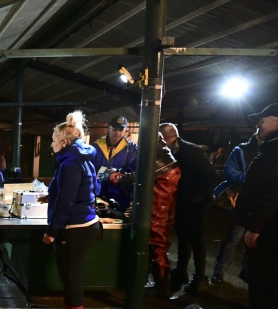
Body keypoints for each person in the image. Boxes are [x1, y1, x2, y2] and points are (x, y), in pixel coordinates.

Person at [42, 110, 100, 309]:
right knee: (69, 273)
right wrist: (52, 195)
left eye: (54, 140)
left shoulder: (69, 164)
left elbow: (66, 201)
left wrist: (51, 231)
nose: (52, 145)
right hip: (84, 223)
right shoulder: (82, 158)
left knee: (71, 274)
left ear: (64, 141)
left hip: (75, 227)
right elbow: (93, 189)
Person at [109, 133, 181, 297]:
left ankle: (162, 287)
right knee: (156, 245)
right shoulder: (165, 155)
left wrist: (112, 176)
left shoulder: (157, 159)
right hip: (163, 207)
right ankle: (155, 282)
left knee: (157, 246)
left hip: (158, 208)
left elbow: (135, 177)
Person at [232, 104, 278, 309]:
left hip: (269, 228)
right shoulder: (269, 148)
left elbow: (272, 193)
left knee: (263, 272)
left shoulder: (274, 151)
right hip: (266, 224)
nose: (258, 124)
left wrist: (255, 227)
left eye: (263, 119)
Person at [160, 122, 218, 294]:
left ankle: (200, 277)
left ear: (170, 138)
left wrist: (199, 195)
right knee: (183, 237)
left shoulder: (192, 151)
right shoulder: (171, 151)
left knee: (196, 239)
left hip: (197, 203)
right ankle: (181, 271)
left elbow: (211, 176)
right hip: (182, 201)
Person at [210, 130, 261, 284]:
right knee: (234, 236)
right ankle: (219, 271)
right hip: (243, 200)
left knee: (257, 240)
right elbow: (229, 172)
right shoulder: (242, 149)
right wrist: (251, 178)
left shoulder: (271, 151)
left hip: (263, 202)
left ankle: (249, 272)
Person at [92, 116, 138, 210]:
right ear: (108, 128)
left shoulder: (132, 149)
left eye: (121, 129)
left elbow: (133, 172)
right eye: (114, 129)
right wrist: (106, 174)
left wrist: (117, 174)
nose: (117, 132)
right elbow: (90, 168)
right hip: (98, 194)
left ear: (125, 130)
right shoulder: (96, 146)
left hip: (121, 195)